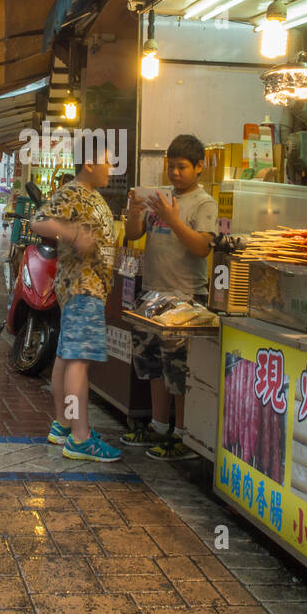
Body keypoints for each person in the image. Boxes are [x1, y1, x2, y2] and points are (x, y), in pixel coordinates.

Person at [121, 134, 218, 460]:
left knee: (180, 372)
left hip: (185, 300)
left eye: (182, 167)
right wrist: (134, 212)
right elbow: (134, 235)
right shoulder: (159, 198)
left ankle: (183, 436)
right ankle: (159, 426)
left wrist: (173, 218)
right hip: (152, 296)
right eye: (171, 167)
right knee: (152, 367)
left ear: (199, 167)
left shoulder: (204, 203)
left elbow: (203, 247)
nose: (175, 173)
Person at [29, 146, 122, 462]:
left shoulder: (90, 195)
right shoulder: (73, 193)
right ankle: (81, 438)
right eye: (107, 161)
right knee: (78, 361)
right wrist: (70, 233)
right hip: (83, 287)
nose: (111, 167)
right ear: (91, 163)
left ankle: (64, 425)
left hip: (86, 288)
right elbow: (38, 221)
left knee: (67, 358)